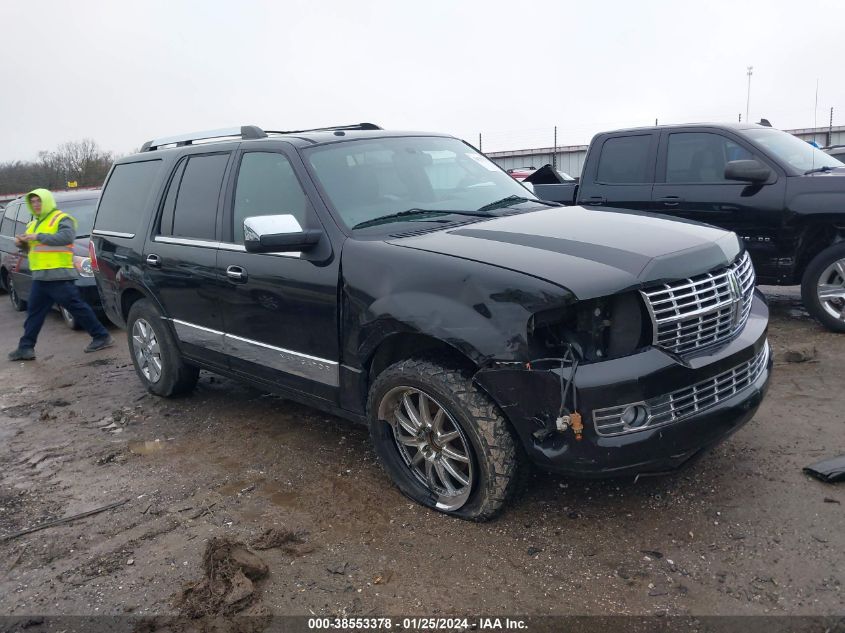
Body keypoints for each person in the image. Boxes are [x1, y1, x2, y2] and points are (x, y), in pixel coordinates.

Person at [7, 188, 113, 361]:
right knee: (34, 313)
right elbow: (34, 248)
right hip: (41, 277)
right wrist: (23, 244)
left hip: (59, 275)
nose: (36, 204)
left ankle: (101, 336)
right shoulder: (33, 224)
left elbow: (66, 237)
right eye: (32, 202)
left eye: (38, 201)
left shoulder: (61, 219)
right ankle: (26, 347)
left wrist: (37, 236)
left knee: (76, 307)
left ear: (46, 201)